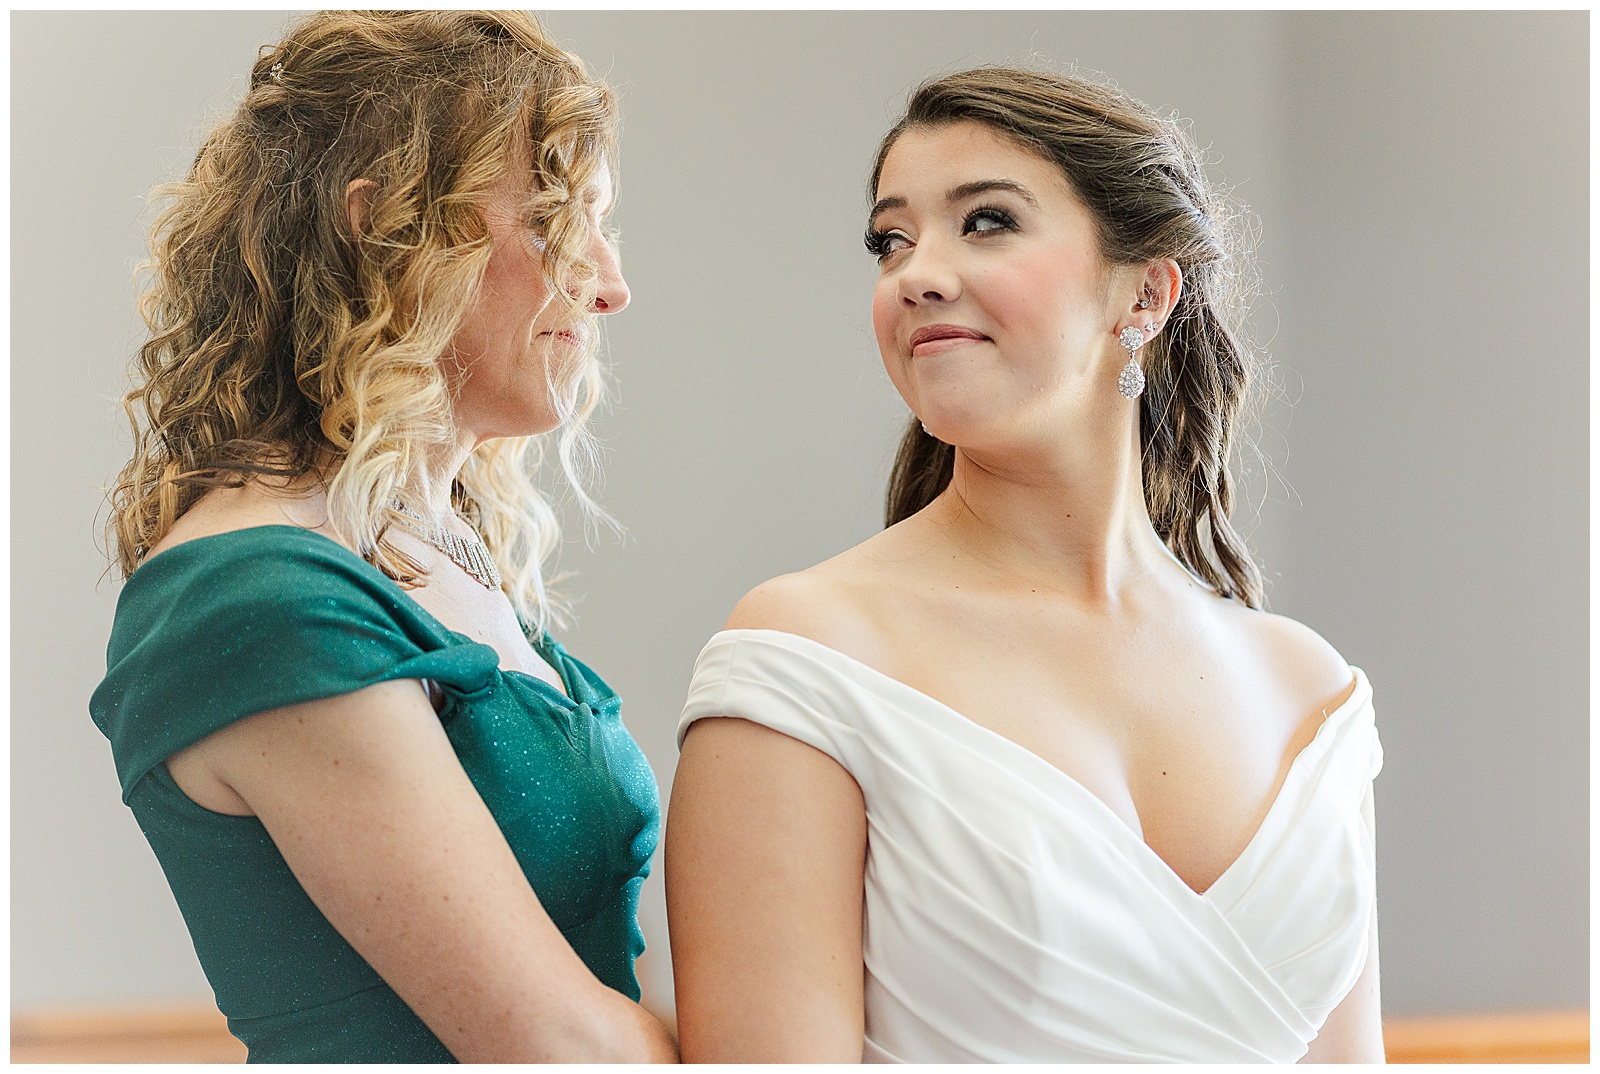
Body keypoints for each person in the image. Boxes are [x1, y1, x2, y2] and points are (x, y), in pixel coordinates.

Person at [667, 66, 1383, 1063]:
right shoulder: (809, 653)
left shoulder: (1304, 687)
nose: (916, 274)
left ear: (1145, 292)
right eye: (890, 240)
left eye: (987, 222)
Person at [90, 11, 676, 1063]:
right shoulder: (261, 595)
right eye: (557, 219)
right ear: (389, 234)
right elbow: (559, 1046)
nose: (607, 282)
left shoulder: (431, 544)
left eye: (603, 222)